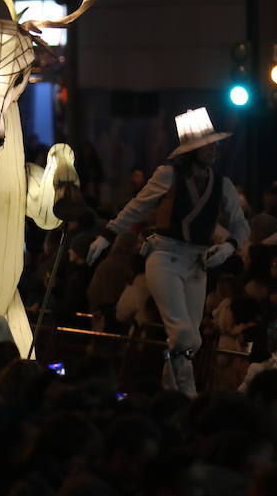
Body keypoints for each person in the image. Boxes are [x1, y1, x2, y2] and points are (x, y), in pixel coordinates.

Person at [87, 108, 250, 396]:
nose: (214, 148)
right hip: (165, 257)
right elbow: (138, 205)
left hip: (198, 261)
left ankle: (169, 387)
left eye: (214, 143)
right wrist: (108, 233)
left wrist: (228, 247)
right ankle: (187, 395)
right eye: (208, 144)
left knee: (192, 340)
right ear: (193, 149)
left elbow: (241, 227)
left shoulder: (222, 185)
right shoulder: (168, 175)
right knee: (182, 332)